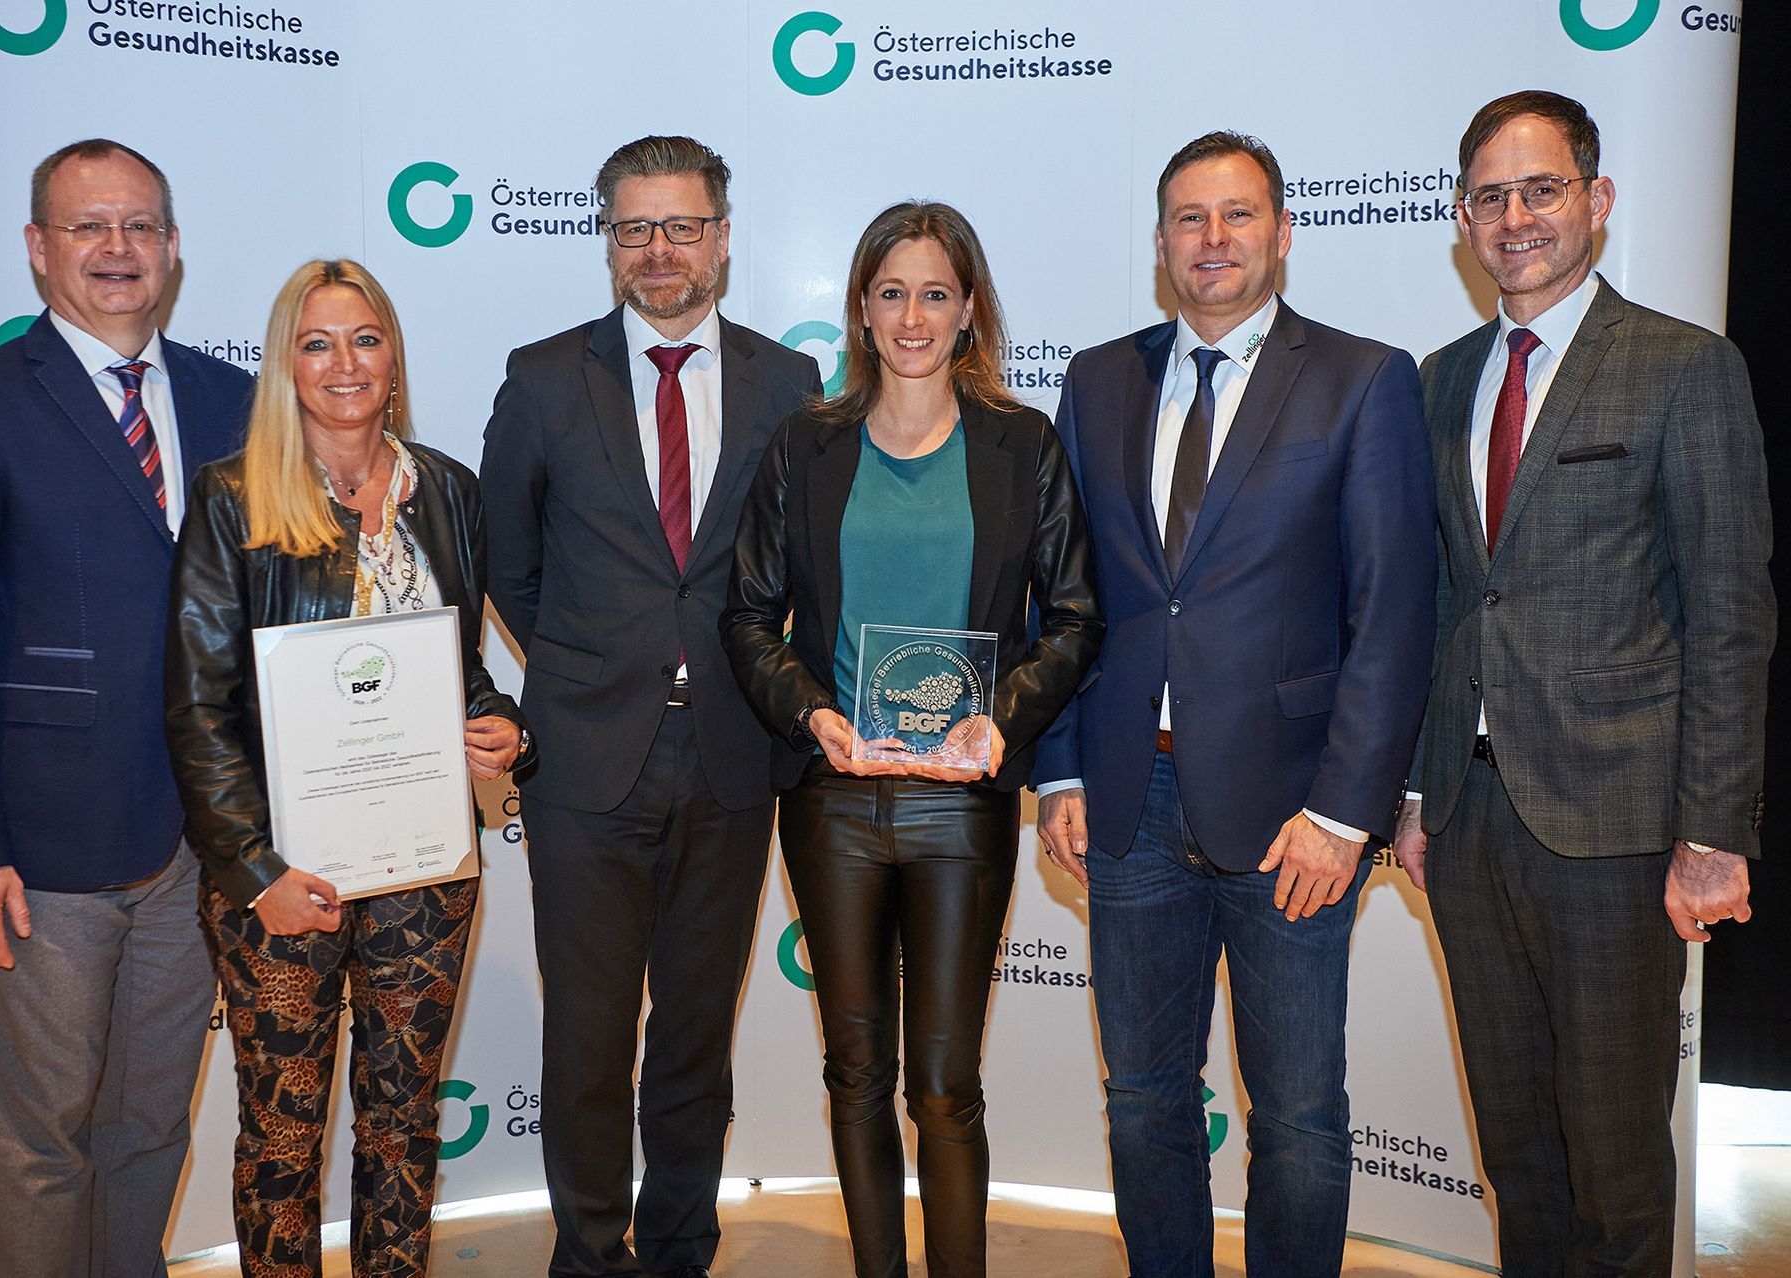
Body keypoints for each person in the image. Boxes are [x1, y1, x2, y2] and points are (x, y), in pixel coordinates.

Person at [1033, 131, 1437, 1278]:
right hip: (1127, 795)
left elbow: (1393, 613)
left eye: (1238, 216)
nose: (1214, 240)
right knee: (1147, 1094)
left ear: (1282, 232)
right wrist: (1059, 767)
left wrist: (1347, 814)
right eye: (1190, 220)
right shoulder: (1098, 378)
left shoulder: (1363, 379)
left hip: (1294, 813)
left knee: (1299, 1110)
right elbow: (1064, 598)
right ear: (1161, 244)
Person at [1391, 90, 1772, 1277]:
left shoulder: (1684, 368)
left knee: (1614, 1159)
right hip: (1468, 816)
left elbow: (1730, 614)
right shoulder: (1437, 379)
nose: (1517, 218)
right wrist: (1413, 793)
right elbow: (1443, 605)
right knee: (1516, 1144)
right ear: (1462, 219)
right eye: (1491, 197)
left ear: (1595, 200)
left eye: (1541, 189)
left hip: (1616, 828)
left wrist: (1713, 830)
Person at [0, 138, 251, 1278]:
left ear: (175, 247)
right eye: (87, 227)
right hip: (39, 854)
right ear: (38, 249)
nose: (116, 249)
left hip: (200, 841)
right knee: (38, 1141)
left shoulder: (235, 399)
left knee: (148, 1128)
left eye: (139, 225)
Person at [720, 201, 1102, 1278]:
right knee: (854, 1071)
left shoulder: (1023, 444)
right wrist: (811, 711)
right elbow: (747, 617)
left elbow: (1076, 617)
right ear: (860, 310)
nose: (913, 315)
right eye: (891, 292)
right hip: (832, 795)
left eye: (936, 291)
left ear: (970, 308)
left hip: (962, 800)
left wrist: (1006, 715)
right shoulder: (808, 442)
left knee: (942, 1080)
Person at [479, 135, 820, 1278]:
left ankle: (679, 1249)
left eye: (681, 226)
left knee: (691, 1038)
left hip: (732, 754)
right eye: (634, 229)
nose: (659, 251)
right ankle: (589, 1256)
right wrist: (589, 664)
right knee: (584, 1038)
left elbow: (795, 570)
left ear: (722, 237)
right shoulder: (542, 377)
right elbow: (507, 563)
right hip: (582, 761)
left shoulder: (788, 383)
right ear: (608, 242)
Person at [164, 258, 527, 1275]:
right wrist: (253, 871)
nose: (345, 363)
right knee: (281, 1143)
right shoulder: (235, 499)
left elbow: (459, 676)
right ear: (286, 365)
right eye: (317, 343)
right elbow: (197, 710)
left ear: (394, 356)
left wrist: (500, 732)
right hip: (286, 879)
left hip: (423, 874)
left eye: (365, 338)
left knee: (404, 1134)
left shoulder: (447, 491)